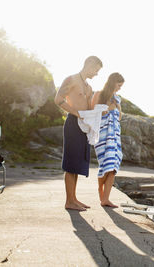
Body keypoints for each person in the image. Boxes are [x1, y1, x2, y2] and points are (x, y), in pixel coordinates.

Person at [54, 56, 103, 211]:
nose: (96, 73)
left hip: (83, 125)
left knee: (77, 163)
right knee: (70, 163)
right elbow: (58, 99)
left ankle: (74, 199)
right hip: (73, 123)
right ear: (89, 65)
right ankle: (69, 201)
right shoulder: (71, 79)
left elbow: (89, 108)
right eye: (96, 70)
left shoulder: (88, 87)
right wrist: (77, 113)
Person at [91, 73, 124, 207]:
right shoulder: (99, 94)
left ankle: (106, 198)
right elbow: (92, 113)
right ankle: (101, 191)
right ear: (112, 82)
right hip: (102, 135)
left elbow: (119, 118)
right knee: (105, 165)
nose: (120, 88)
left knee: (113, 167)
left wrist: (118, 108)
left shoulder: (117, 99)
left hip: (115, 135)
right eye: (119, 85)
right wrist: (107, 109)